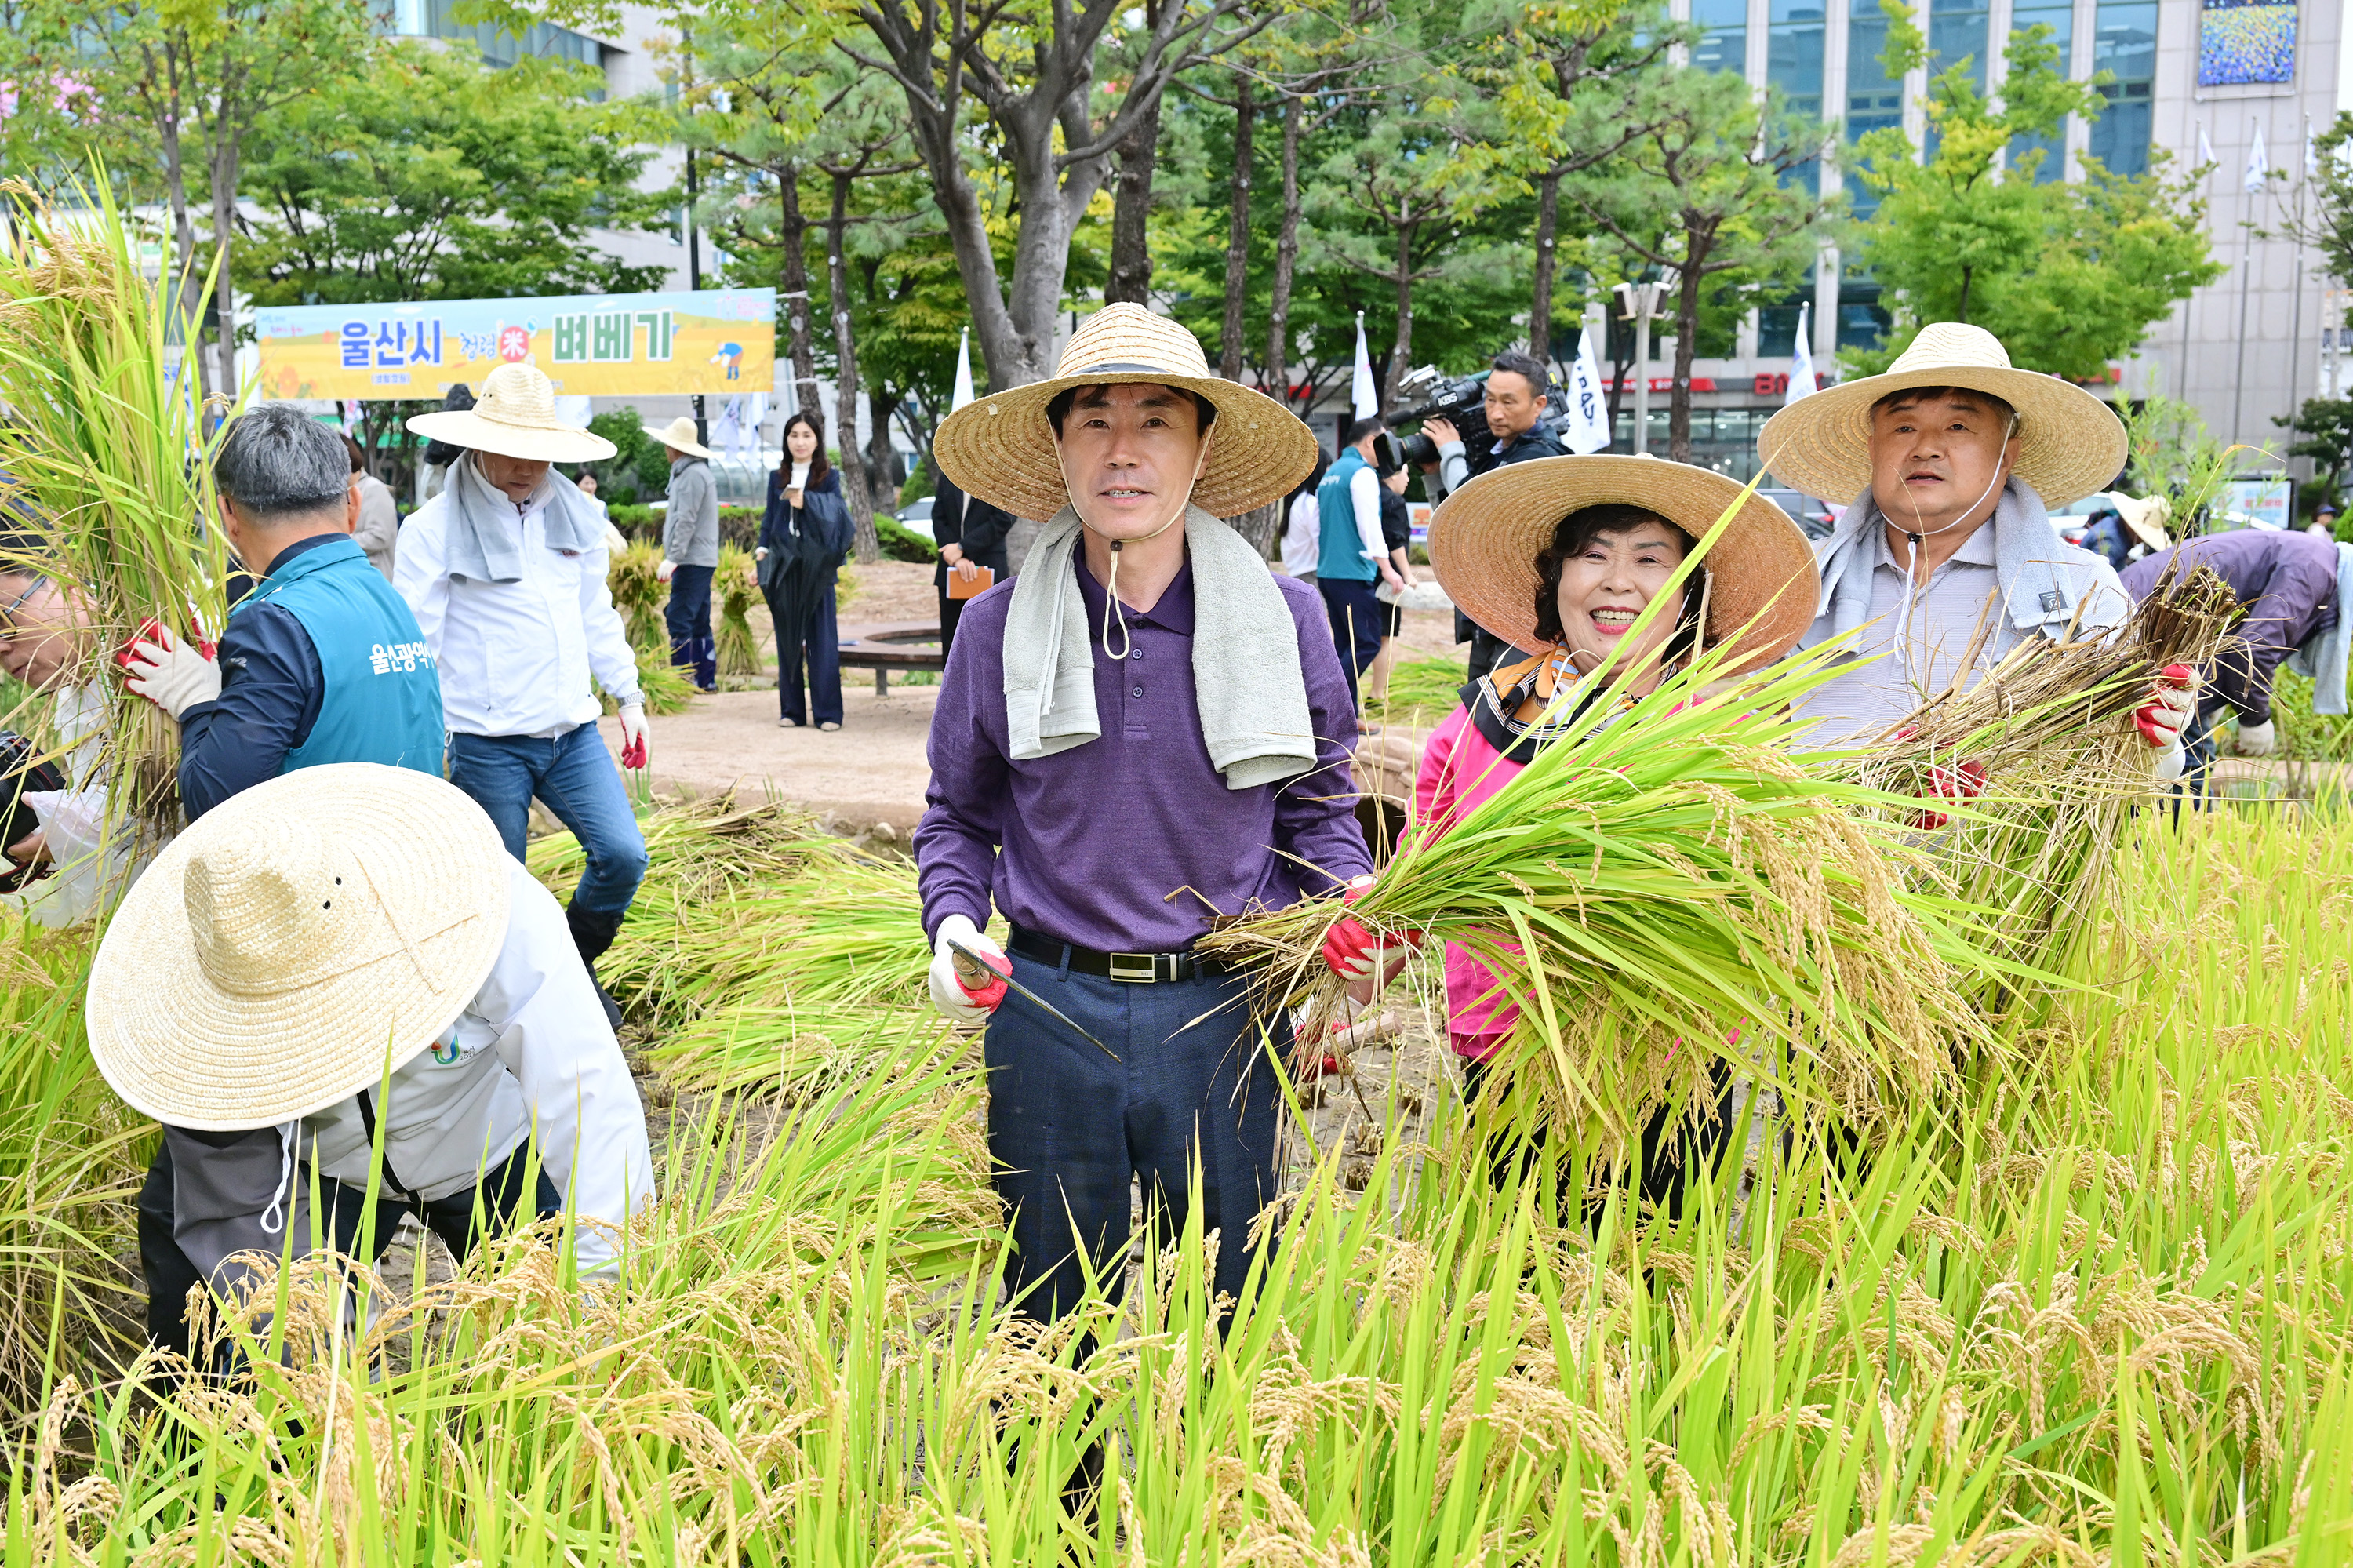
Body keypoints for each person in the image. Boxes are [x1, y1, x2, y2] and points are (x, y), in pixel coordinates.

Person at [916, 304, 1363, 1350]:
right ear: (1059, 448)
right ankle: (1058, 1510)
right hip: (1049, 1013)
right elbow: (958, 813)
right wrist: (951, 924)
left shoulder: (1284, 619)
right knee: (1053, 1316)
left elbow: (1321, 808)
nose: (1124, 449)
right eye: (1094, 422)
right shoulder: (996, 627)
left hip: (1226, 1014)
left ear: (1201, 447)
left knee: (1231, 1307)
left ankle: (1214, 1506)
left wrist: (1346, 901)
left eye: (1157, 419)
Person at [89, 764, 655, 1367]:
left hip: (486, 1143)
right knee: (219, 1341)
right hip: (320, 1168)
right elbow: (233, 1206)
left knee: (552, 1340)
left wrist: (600, 1300)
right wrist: (327, 1383)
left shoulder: (480, 904)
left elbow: (587, 1094)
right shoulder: (203, 992)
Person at [1400, 454, 1816, 1206]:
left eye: (1650, 559)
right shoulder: (1485, 720)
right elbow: (1417, 874)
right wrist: (1358, 947)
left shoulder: (1724, 735)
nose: (1617, 580)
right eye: (1592, 556)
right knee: (1519, 1283)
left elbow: (1776, 895)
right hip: (1510, 1045)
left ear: (1691, 591)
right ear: (1555, 582)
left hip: (1673, 1058)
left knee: (1657, 1281)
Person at [1756, 322, 2192, 769]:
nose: (1926, 448)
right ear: (1873, 448)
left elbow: (2136, 771)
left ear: (2007, 454)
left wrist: (2156, 735)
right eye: (1903, 427)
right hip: (1814, 836)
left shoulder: (2078, 587)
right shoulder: (1805, 580)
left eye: (1959, 425)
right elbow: (1750, 730)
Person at [395, 362, 650, 1025]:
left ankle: (573, 962)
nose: (526, 466)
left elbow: (596, 613)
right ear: (478, 440)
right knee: (499, 894)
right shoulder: (431, 528)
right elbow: (417, 643)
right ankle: (502, 1024)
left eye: (540, 452)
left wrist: (630, 697)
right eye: (511, 448)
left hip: (572, 734)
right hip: (487, 743)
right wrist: (420, 743)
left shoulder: (577, 514)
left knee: (623, 856)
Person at [123, 403, 447, 824]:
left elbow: (215, 805)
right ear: (353, 502)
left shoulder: (271, 625)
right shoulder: (387, 598)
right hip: (406, 855)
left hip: (325, 879)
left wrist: (197, 702)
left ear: (228, 513)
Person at [2120, 527, 2348, 788]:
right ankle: (2180, 828)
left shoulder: (2316, 558)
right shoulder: (2315, 568)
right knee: (2190, 760)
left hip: (2149, 627)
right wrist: (2256, 719)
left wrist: (2211, 701)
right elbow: (2253, 650)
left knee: (2158, 758)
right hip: (2138, 625)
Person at [0, 536, 134, 925]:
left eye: (5, 622)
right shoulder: (69, 700)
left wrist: (78, 835)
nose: (3, 649)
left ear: (66, 582)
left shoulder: (171, 649)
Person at [1420, 350, 1570, 682]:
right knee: (1478, 715)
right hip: (1491, 612)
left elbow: (1475, 507)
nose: (1496, 413)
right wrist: (1434, 473)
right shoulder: (1498, 454)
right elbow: (1455, 522)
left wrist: (1450, 450)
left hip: (1526, 618)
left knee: (1506, 716)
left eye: (1508, 402)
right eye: (1490, 401)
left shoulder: (1540, 458)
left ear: (1539, 404)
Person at [756, 412, 851, 729]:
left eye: (806, 435)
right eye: (794, 435)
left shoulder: (828, 476)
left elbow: (838, 517)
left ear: (817, 440)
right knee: (788, 640)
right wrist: (761, 550)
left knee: (822, 641)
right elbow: (770, 519)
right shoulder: (776, 476)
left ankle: (828, 714)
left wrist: (806, 501)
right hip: (785, 568)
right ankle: (792, 711)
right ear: (786, 439)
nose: (800, 441)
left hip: (818, 570)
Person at [1315, 418, 1406, 707]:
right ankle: (1323, 701)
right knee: (1366, 643)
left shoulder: (1333, 473)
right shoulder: (1362, 473)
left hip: (1329, 572)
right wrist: (1388, 569)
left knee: (1345, 644)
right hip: (1353, 573)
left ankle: (1348, 714)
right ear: (1370, 441)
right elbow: (1370, 527)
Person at [646, 415, 719, 694]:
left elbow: (685, 520)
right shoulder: (693, 472)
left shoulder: (690, 476)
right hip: (700, 558)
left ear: (675, 448)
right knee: (699, 619)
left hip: (691, 559)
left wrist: (674, 556)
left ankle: (682, 682)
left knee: (679, 617)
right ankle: (705, 679)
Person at [931, 467, 1013, 657]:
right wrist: (955, 557)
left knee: (988, 642)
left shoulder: (1001, 476)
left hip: (988, 570)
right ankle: (951, 688)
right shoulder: (949, 474)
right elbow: (938, 516)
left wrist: (963, 548)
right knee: (952, 643)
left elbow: (1005, 519)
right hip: (951, 571)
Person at [1360, 447, 1420, 707]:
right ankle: (1377, 694)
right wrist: (1407, 575)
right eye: (1405, 474)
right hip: (1388, 579)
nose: (1407, 480)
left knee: (1373, 635)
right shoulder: (1393, 501)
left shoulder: (1375, 496)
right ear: (1393, 476)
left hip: (1367, 575)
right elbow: (1395, 541)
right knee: (1386, 637)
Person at [341, 435, 401, 582]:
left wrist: (337, 543)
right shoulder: (341, 492)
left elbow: (379, 537)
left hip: (375, 578)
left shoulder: (373, 488)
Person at [1279, 446, 1330, 586]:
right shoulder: (1310, 503)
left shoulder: (1296, 500)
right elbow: (1319, 540)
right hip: (1310, 573)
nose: (1329, 473)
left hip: (1296, 570)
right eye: (1327, 467)